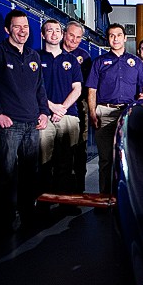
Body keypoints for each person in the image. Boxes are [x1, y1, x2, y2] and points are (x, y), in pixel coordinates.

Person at [0, 9, 49, 230]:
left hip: (32, 124)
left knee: (31, 174)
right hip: (9, 126)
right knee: (6, 174)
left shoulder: (33, 56)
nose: (22, 31)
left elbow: (40, 89)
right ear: (7, 29)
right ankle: (5, 220)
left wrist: (44, 112)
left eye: (25, 27)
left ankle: (28, 214)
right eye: (17, 26)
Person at [85, 23, 143, 194]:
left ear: (125, 38)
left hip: (128, 114)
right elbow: (91, 90)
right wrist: (92, 112)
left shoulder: (136, 63)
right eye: (111, 35)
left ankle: (127, 198)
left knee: (129, 158)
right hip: (105, 113)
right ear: (107, 39)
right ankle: (104, 197)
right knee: (106, 159)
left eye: (118, 35)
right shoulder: (99, 62)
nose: (115, 38)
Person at [38, 19, 83, 194]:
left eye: (57, 30)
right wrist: (51, 107)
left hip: (69, 116)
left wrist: (62, 108)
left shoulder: (72, 60)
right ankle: (43, 204)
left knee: (67, 161)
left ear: (61, 34)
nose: (54, 34)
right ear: (43, 35)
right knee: (44, 161)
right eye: (50, 30)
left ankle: (66, 202)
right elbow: (34, 89)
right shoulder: (35, 58)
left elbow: (77, 89)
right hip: (44, 117)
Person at [62, 20, 92, 193]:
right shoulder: (53, 52)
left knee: (79, 149)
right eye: (71, 35)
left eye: (78, 37)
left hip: (79, 107)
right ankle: (54, 192)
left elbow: (88, 86)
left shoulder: (84, 56)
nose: (74, 40)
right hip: (55, 107)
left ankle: (77, 191)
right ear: (65, 33)